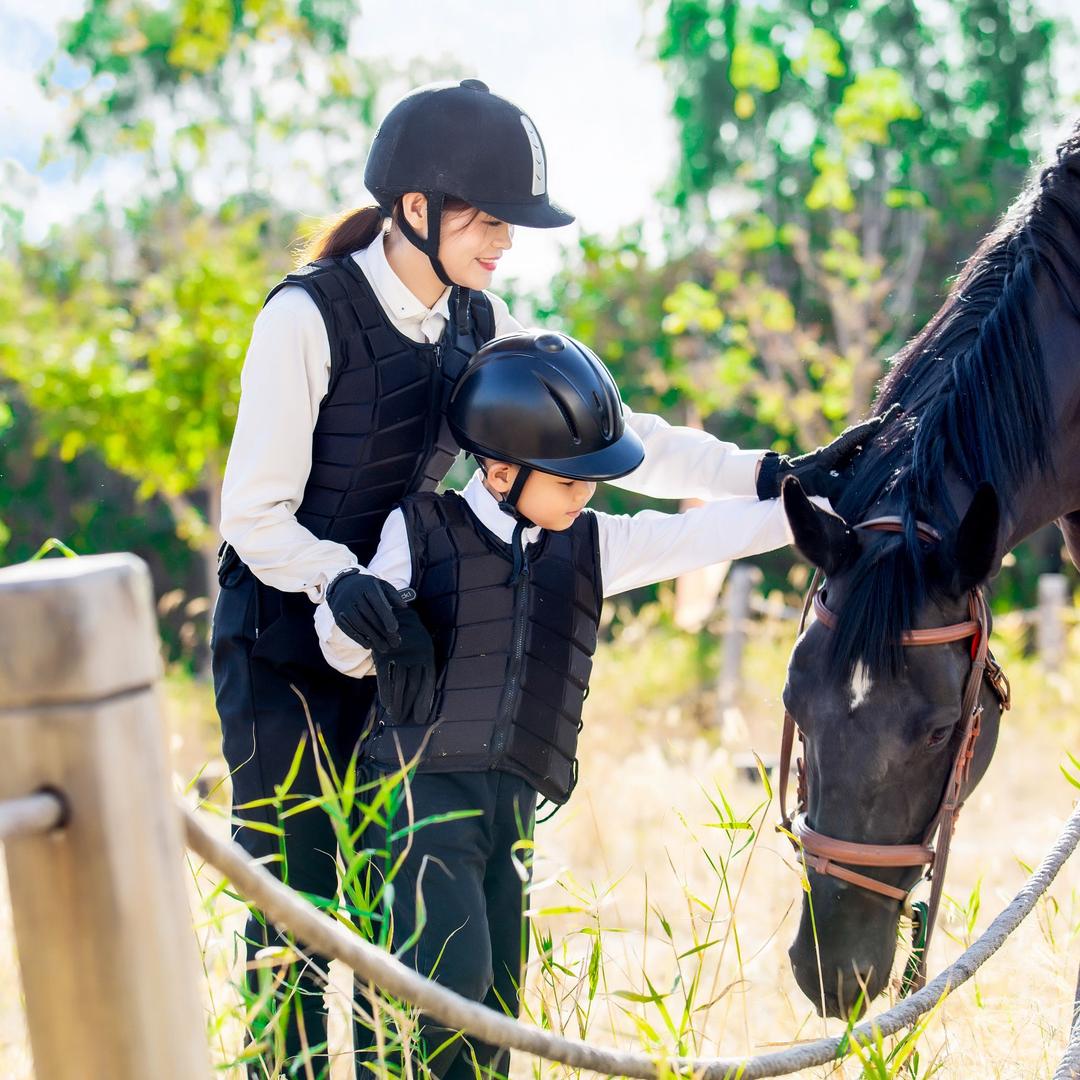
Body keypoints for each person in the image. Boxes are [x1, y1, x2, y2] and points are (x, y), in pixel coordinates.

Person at [213, 79, 883, 1078]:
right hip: (287, 641)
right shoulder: (306, 317)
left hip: (412, 636)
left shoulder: (480, 317)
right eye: (487, 220)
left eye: (509, 225)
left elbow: (603, 431)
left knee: (405, 933)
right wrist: (339, 579)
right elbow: (253, 515)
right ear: (415, 209)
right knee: (298, 927)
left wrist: (767, 474)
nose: (504, 243)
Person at [314, 330, 865, 1078]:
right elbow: (341, 651)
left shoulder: (590, 544)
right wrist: (353, 607)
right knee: (450, 986)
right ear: (500, 471)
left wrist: (818, 491)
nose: (587, 494)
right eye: (570, 481)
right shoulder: (419, 532)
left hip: (510, 811)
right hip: (419, 801)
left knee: (498, 1004)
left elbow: (703, 535)